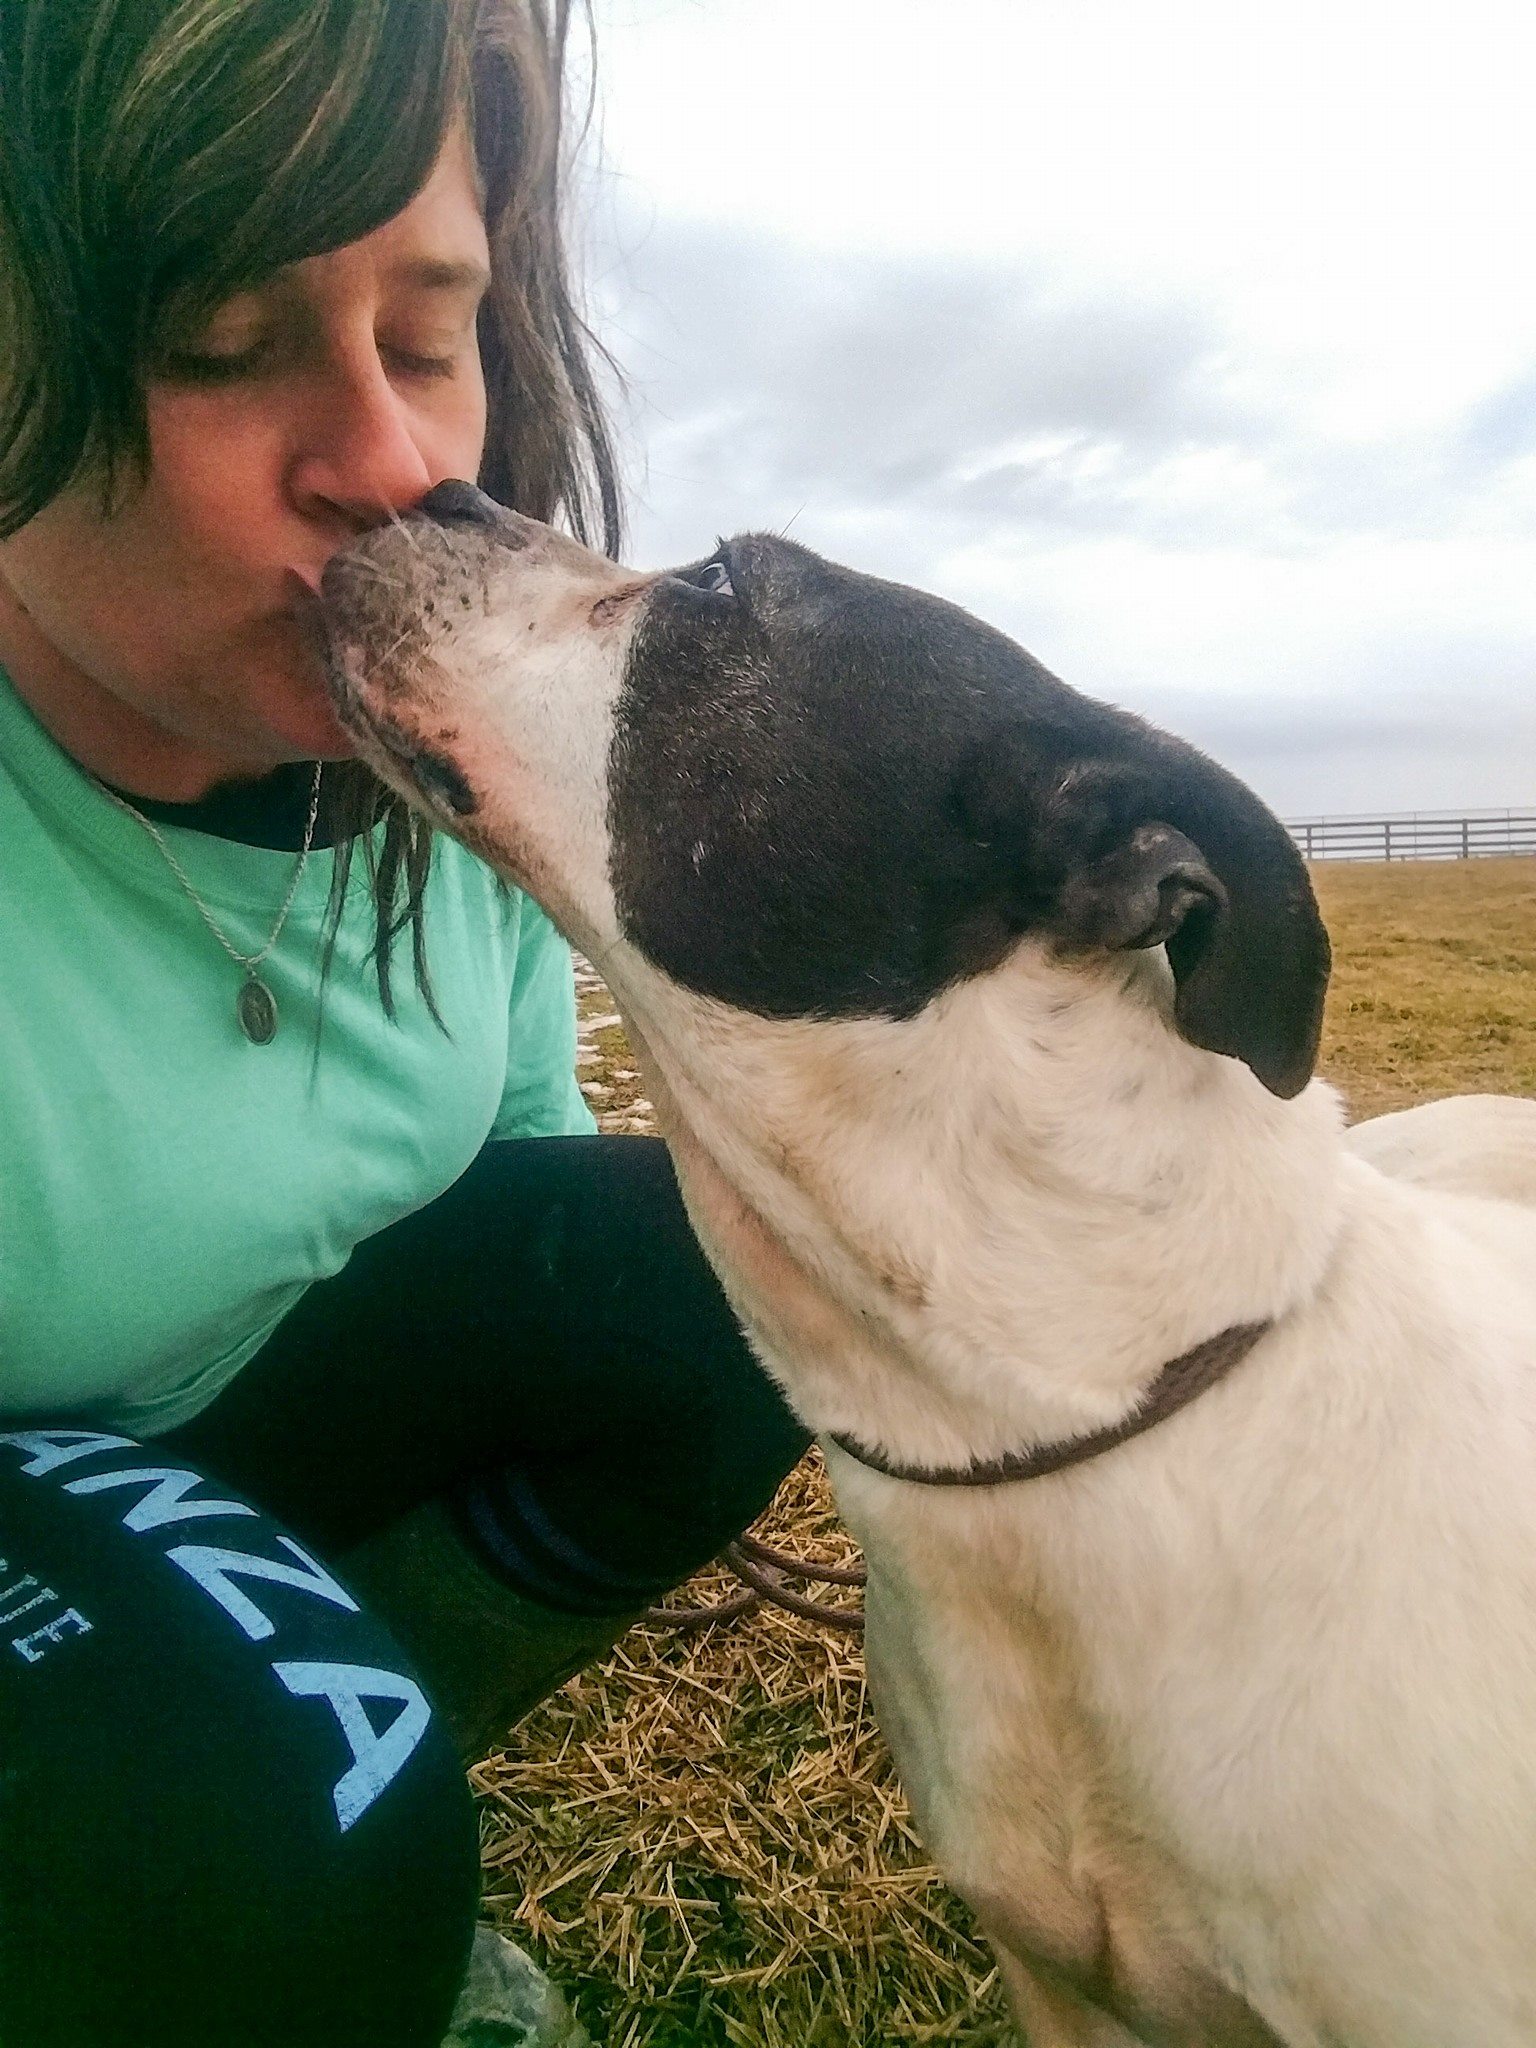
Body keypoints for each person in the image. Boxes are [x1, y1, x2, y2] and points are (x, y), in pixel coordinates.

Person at [0, 2, 811, 2042]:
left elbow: (528, 1175)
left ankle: (344, 1809)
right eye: (219, 340)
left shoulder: (440, 755)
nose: (394, 465)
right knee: (235, 1865)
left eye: (428, 333)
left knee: (703, 1276)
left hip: (222, 1432)